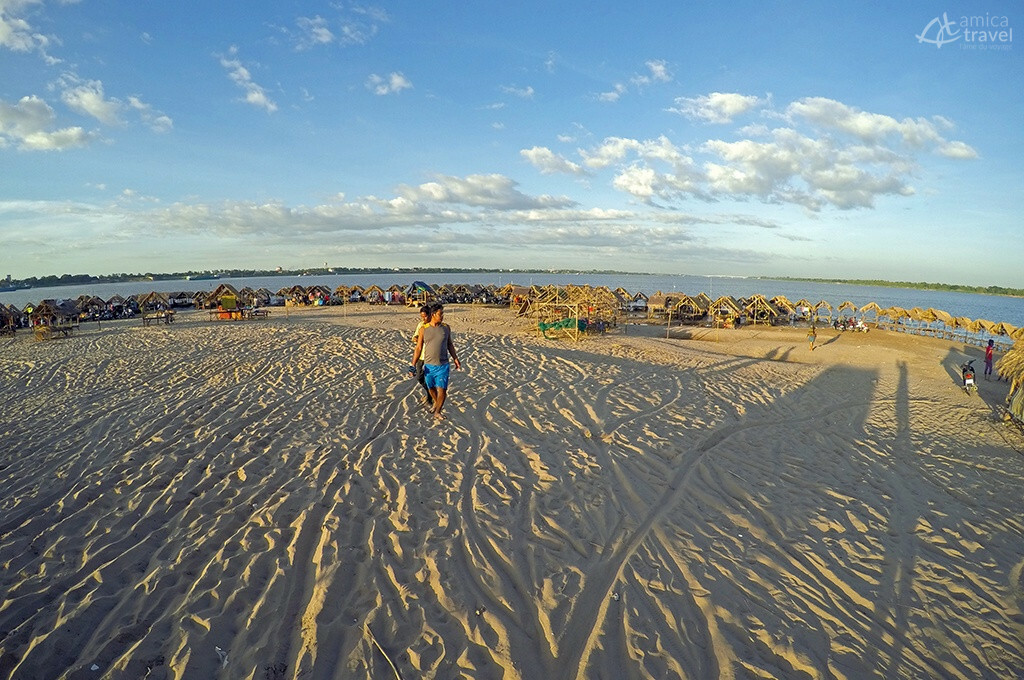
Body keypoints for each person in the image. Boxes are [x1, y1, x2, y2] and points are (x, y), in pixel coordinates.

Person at [412, 304, 462, 421]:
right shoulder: (423, 329)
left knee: (442, 390)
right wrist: (413, 364)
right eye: (440, 314)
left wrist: (455, 359)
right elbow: (418, 348)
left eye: (443, 314)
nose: (442, 316)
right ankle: (435, 402)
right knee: (431, 388)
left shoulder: (446, 328)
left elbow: (450, 344)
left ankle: (438, 411)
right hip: (429, 366)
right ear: (433, 315)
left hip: (443, 365)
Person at [411, 304, 434, 405]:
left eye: (425, 316)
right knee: (419, 377)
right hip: (421, 355)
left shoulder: (434, 326)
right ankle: (430, 392)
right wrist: (416, 338)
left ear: (430, 315)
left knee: (430, 377)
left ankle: (431, 397)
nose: (423, 318)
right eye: (422, 316)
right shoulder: (420, 325)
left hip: (431, 356)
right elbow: (414, 337)